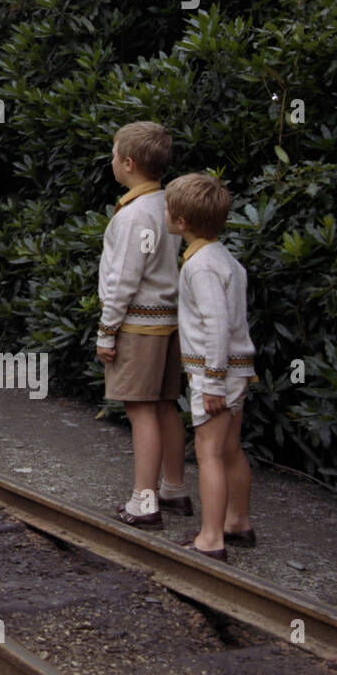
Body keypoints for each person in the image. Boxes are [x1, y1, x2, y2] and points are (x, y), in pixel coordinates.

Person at [96, 122, 188, 527]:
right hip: (170, 323)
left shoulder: (132, 216)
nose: (111, 161)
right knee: (166, 406)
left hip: (138, 325)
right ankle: (174, 489)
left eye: (114, 154)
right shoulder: (169, 204)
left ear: (128, 163)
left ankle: (143, 501)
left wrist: (107, 331)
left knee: (140, 411)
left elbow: (122, 281)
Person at [164, 172, 256, 562]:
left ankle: (211, 537)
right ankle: (238, 522)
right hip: (237, 368)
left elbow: (217, 325)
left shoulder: (199, 266)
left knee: (209, 453)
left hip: (215, 372)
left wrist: (213, 381)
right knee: (231, 449)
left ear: (181, 222)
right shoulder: (225, 259)